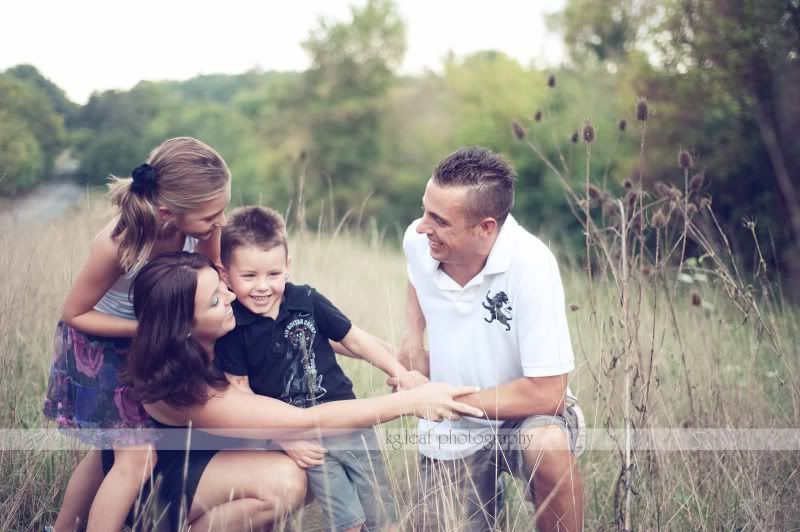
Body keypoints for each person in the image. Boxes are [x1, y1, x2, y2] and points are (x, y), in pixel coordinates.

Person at [110, 251, 484, 530]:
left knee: (297, 460)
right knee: (290, 478)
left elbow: (318, 338)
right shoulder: (186, 389)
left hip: (212, 460)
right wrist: (409, 402)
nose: (230, 298)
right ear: (185, 327)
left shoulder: (219, 334)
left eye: (223, 286)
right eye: (214, 301)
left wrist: (407, 364)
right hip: (161, 485)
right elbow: (307, 419)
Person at [391, 147, 586, 532]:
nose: (421, 227)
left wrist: (448, 400)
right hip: (453, 430)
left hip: (521, 415)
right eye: (424, 210)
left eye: (439, 220)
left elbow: (549, 394)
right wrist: (413, 338)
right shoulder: (419, 242)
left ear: (486, 228)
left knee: (545, 445)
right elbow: (416, 278)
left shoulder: (532, 264)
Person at [42, 137, 231, 532]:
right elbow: (75, 313)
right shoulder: (119, 242)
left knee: (107, 455)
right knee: (137, 457)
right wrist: (149, 329)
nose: (220, 222)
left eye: (222, 210)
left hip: (153, 342)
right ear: (166, 210)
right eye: (211, 216)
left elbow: (213, 268)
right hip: (102, 345)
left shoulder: (207, 223)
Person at [215, 206, 418, 532]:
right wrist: (283, 440)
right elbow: (241, 394)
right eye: (249, 276)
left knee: (385, 518)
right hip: (306, 441)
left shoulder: (306, 299)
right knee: (347, 522)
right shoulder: (233, 327)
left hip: (352, 424)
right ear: (225, 274)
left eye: (274, 274)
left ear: (288, 267)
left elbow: (354, 339)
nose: (263, 287)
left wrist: (400, 371)